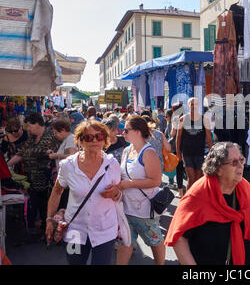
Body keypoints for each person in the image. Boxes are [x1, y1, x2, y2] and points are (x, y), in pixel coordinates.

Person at [166, 142, 250, 265]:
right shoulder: (198, 194)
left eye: (241, 160)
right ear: (218, 169)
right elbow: (179, 237)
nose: (240, 165)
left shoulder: (244, 187)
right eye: (234, 162)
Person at [45, 120, 123, 265]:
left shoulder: (112, 164)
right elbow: (57, 192)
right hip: (75, 230)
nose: (94, 140)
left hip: (105, 230)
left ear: (105, 140)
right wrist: (49, 219)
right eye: (88, 137)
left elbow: (118, 191)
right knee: (74, 262)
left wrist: (116, 192)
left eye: (99, 137)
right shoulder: (68, 165)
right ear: (80, 141)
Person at [116, 115, 165, 265]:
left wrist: (129, 184)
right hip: (126, 208)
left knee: (154, 241)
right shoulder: (127, 150)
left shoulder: (148, 152)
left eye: (125, 130)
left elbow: (156, 181)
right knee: (125, 243)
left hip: (144, 210)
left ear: (137, 132)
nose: (122, 133)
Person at [7, 112, 60, 238]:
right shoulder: (31, 138)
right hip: (31, 179)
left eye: (29, 126)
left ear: (37, 123)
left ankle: (47, 232)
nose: (28, 130)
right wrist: (7, 165)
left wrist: (33, 153)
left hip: (46, 180)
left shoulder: (50, 136)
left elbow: (48, 154)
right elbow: (21, 153)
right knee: (35, 205)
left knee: (46, 207)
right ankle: (39, 231)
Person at [176, 97, 213, 191]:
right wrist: (178, 153)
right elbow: (178, 137)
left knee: (199, 178)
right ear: (188, 106)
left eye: (195, 104)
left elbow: (209, 138)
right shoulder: (183, 119)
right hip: (187, 153)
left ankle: (197, 200)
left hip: (200, 153)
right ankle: (188, 201)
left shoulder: (204, 119)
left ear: (199, 106)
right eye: (191, 104)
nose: (193, 106)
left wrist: (212, 152)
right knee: (191, 178)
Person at [172, 103, 186, 198]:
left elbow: (173, 133)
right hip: (188, 146)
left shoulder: (175, 119)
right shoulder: (187, 117)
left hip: (178, 147)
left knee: (179, 170)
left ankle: (180, 193)